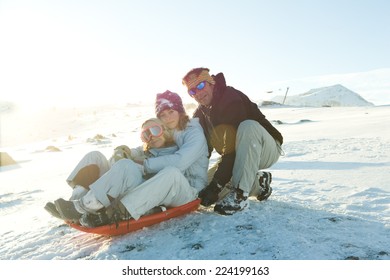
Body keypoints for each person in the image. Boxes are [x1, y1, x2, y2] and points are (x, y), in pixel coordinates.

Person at [54, 91, 209, 227]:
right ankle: (78, 202)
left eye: (171, 112)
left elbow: (179, 162)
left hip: (188, 189)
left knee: (171, 173)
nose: (167, 118)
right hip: (158, 188)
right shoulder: (162, 137)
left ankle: (109, 212)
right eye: (163, 115)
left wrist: (144, 165)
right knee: (100, 158)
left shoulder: (191, 132)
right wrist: (124, 152)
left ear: (180, 111)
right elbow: (143, 149)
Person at [182, 67, 284, 215]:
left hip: (265, 147)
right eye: (192, 91)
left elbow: (233, 150)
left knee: (247, 126)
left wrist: (217, 185)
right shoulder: (201, 113)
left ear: (211, 83)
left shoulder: (230, 98)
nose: (198, 93)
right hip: (236, 155)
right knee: (203, 189)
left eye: (201, 86)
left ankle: (240, 195)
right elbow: (200, 148)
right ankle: (259, 184)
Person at [44, 118, 178, 222]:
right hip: (119, 189)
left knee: (126, 165)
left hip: (140, 196)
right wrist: (120, 151)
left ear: (165, 130)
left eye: (155, 131)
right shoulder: (146, 149)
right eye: (145, 135)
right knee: (95, 156)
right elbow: (130, 153)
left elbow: (163, 177)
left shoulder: (174, 154)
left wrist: (132, 163)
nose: (151, 137)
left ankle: (83, 207)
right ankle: (76, 202)